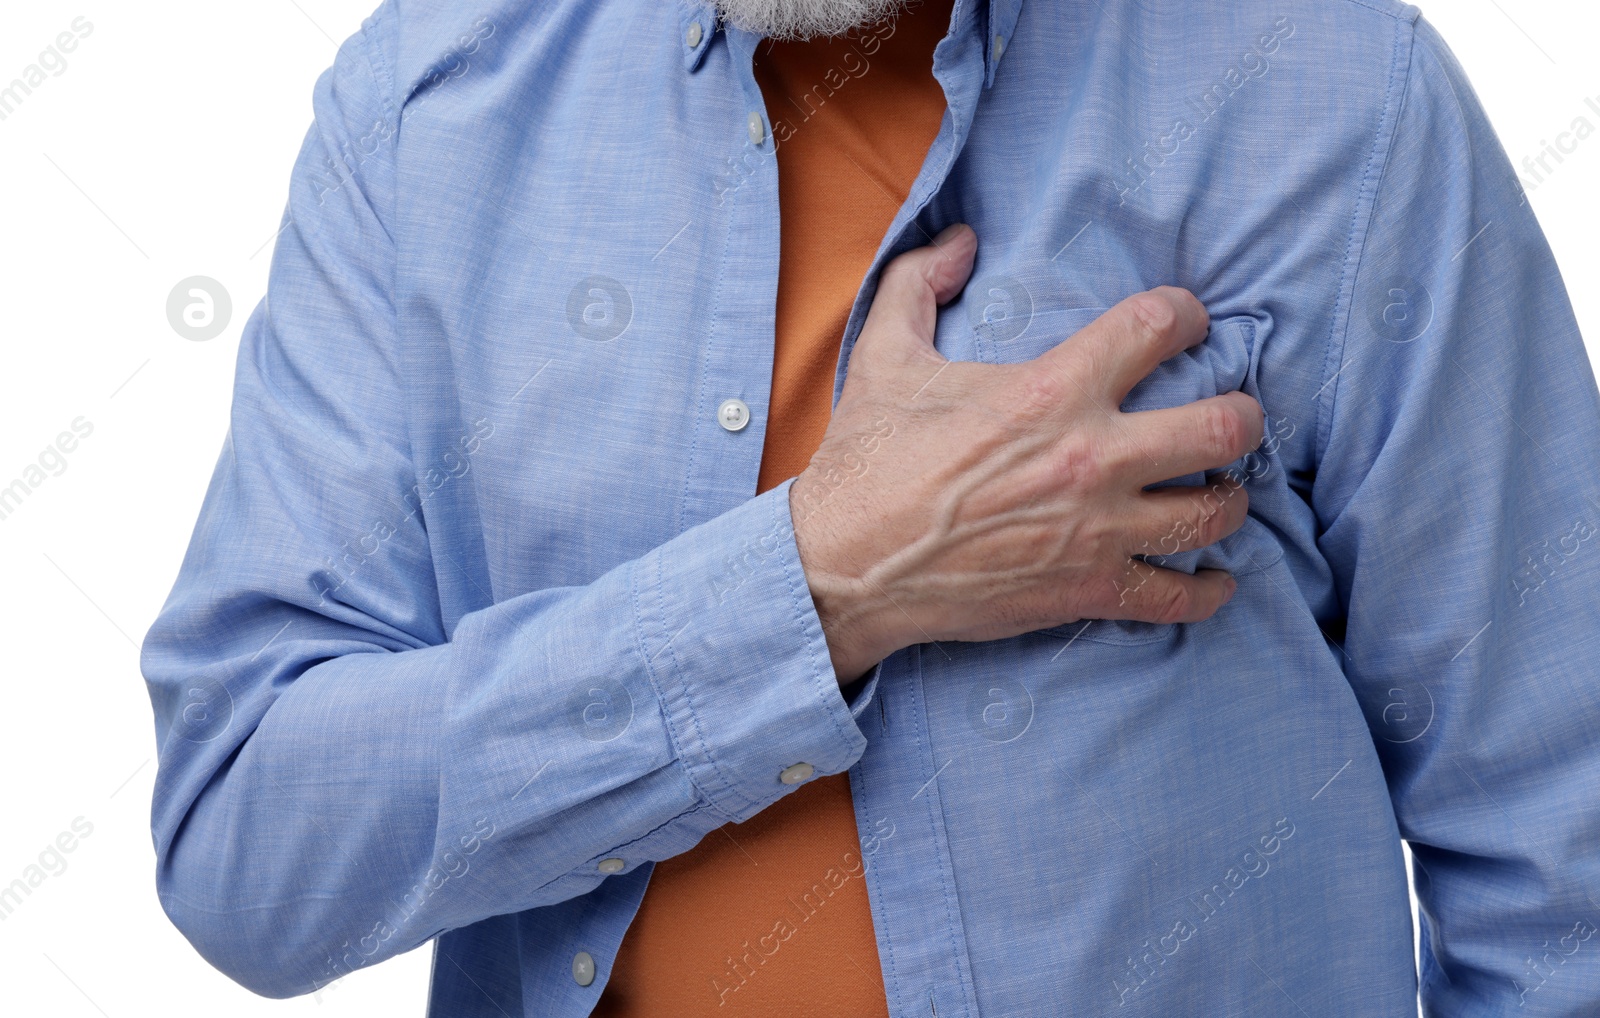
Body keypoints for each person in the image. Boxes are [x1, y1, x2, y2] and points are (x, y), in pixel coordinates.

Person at [140, 0, 1600, 1014]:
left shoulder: (1330, 96)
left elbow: (1557, 842)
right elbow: (249, 839)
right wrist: (823, 581)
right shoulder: (421, 118)